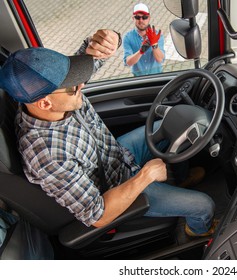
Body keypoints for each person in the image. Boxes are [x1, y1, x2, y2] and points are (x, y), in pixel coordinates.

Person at [0, 45, 216, 237]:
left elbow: (88, 63)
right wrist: (144, 177)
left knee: (174, 124)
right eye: (73, 86)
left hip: (115, 155)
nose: (81, 86)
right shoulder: (49, 156)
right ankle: (198, 230)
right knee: (204, 205)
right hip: (115, 187)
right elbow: (98, 215)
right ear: (45, 104)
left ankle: (179, 179)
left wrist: (106, 42)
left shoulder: (53, 98)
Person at [123, 3, 165, 76]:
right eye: (137, 17)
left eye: (144, 17)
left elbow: (160, 59)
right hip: (138, 79)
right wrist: (141, 51)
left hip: (157, 77)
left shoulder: (157, 35)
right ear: (133, 18)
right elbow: (128, 62)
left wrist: (154, 44)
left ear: (149, 18)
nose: (141, 20)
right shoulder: (128, 37)